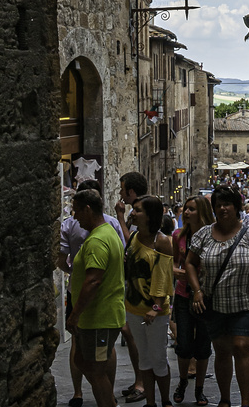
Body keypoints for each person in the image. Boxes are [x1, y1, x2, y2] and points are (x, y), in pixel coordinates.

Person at [185, 186, 249, 407]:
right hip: (215, 303)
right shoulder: (203, 235)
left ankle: (245, 401)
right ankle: (225, 399)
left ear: (236, 207)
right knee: (222, 351)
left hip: (246, 301)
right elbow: (189, 263)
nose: (223, 208)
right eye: (218, 205)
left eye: (227, 204)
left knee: (242, 346)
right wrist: (197, 291)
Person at [59, 179, 126, 407]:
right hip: (96, 318)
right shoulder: (107, 232)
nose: (74, 216)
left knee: (97, 371)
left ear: (88, 209)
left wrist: (75, 314)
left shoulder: (98, 240)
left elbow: (93, 280)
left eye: (76, 211)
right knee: (83, 359)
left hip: (100, 317)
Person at [125, 195, 175, 407]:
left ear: (150, 215)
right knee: (144, 359)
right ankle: (151, 403)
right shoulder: (134, 237)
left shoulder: (161, 241)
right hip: (134, 307)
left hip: (155, 310)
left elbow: (163, 277)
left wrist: (156, 306)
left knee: (158, 359)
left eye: (137, 210)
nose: (133, 213)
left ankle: (165, 401)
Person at [172, 195, 215, 405]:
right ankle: (182, 381)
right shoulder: (178, 235)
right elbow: (173, 264)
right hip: (183, 294)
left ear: (203, 212)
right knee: (184, 343)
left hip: (206, 296)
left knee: (203, 346)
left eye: (191, 209)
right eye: (185, 209)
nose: (186, 212)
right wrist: (178, 272)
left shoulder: (212, 236)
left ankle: (199, 389)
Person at [115, 170, 149, 401]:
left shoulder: (142, 211)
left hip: (142, 285)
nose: (120, 193)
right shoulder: (138, 209)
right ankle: (141, 378)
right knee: (130, 332)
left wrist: (119, 217)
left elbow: (133, 244)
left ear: (132, 191)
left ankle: (143, 382)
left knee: (136, 334)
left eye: (122, 189)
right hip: (133, 283)